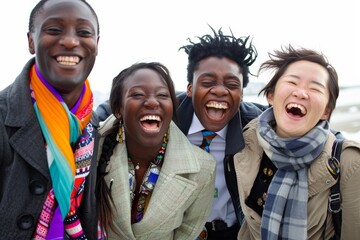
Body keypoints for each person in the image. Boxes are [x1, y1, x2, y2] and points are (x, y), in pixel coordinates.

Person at [234, 45, 360, 239]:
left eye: (315, 88)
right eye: (292, 82)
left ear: (326, 111)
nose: (301, 93)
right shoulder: (247, 138)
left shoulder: (350, 162)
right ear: (271, 95)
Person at [0, 0, 101, 239]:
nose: (70, 41)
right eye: (54, 30)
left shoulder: (94, 125)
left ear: (96, 44)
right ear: (31, 41)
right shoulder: (4, 115)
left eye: (84, 32)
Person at [96, 62, 216, 239]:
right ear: (118, 109)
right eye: (137, 94)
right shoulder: (90, 151)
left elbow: (188, 232)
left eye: (162, 95)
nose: (152, 102)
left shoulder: (203, 169)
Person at [177, 27, 266, 240]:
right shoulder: (168, 115)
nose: (219, 90)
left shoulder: (257, 124)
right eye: (207, 83)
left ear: (242, 93)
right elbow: (117, 108)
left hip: (233, 232)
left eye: (231, 84)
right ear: (190, 88)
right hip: (180, 232)